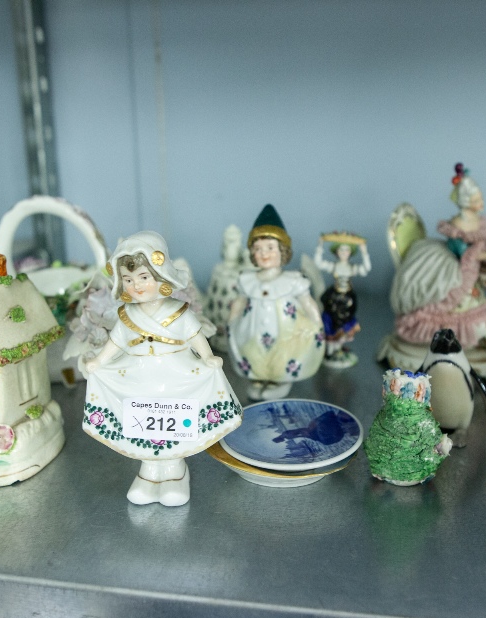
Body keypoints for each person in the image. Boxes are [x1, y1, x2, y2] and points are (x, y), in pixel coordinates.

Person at [83, 231, 242, 506]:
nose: (137, 286)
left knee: (176, 419)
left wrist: (207, 357)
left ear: (161, 275)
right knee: (140, 419)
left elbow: (195, 336)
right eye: (130, 280)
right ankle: (148, 473)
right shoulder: (127, 314)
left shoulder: (179, 311)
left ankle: (174, 473)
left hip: (175, 374)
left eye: (144, 277)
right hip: (138, 375)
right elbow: (116, 342)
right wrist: (99, 361)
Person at [392, 164, 486, 349]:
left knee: (476, 300)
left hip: (471, 265)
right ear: (466, 202)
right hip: (458, 263)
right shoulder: (458, 224)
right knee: (453, 293)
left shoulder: (479, 221)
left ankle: (483, 334)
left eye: (480, 198)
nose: (481, 203)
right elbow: (466, 254)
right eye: (477, 199)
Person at [229, 204, 325, 399]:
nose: (264, 253)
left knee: (282, 354)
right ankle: (258, 377)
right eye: (258, 249)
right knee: (253, 351)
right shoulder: (247, 280)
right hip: (251, 328)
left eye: (270, 248)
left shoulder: (292, 281)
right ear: (252, 254)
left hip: (286, 330)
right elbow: (239, 302)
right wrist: (232, 321)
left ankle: (279, 379)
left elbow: (307, 303)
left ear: (283, 251)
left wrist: (317, 322)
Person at [313, 233, 371, 365]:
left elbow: (366, 269)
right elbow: (318, 263)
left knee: (345, 322)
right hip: (334, 299)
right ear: (336, 252)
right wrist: (320, 246)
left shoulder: (351, 267)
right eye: (341, 250)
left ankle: (338, 347)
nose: (344, 252)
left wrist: (364, 252)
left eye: (347, 250)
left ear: (350, 252)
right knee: (332, 321)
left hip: (347, 300)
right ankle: (330, 350)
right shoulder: (334, 266)